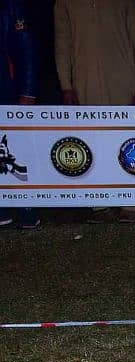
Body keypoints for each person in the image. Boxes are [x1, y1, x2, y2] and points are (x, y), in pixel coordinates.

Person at [54, 0, 135, 223]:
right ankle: (100, 203)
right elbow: (62, 44)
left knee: (128, 139)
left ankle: (130, 203)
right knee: (91, 139)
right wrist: (66, 85)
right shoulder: (64, 3)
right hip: (83, 79)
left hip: (124, 78)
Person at [0, 0, 39, 229]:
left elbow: (26, 49)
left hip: (8, 89)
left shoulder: (11, 6)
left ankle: (26, 204)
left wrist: (28, 91)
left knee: (18, 148)